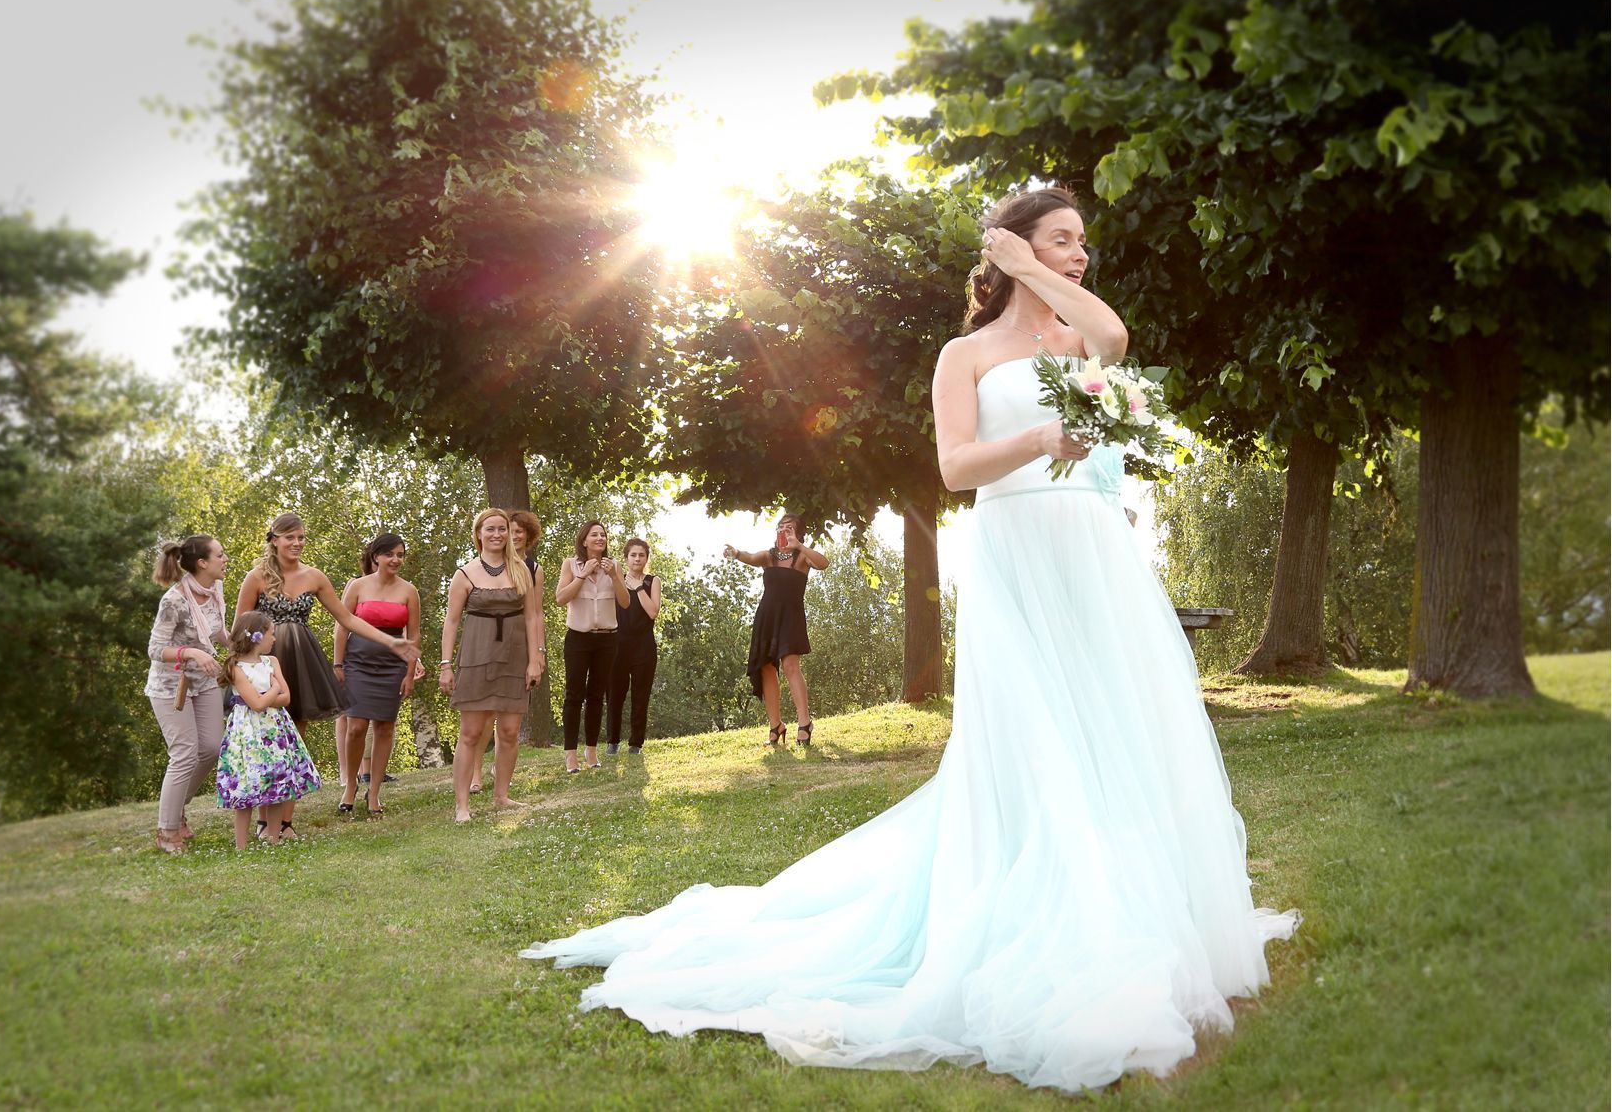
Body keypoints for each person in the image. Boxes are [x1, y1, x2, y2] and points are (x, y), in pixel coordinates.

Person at [522, 186, 1298, 1091]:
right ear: (1013, 251)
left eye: (1084, 242)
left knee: (1114, 723)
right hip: (1015, 546)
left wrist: (1044, 288)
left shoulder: (1084, 341)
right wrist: (1041, 427)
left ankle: (1131, 908)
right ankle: (1041, 911)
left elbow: (1116, 345)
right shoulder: (963, 354)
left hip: (1092, 550)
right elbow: (955, 467)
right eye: (1061, 240)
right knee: (1032, 733)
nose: (1080, 254)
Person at [235, 512, 418, 837]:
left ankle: (286, 822)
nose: (296, 543)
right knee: (268, 739)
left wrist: (393, 641)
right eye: (289, 537)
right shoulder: (256, 577)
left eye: (301, 537)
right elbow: (240, 628)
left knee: (296, 738)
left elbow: (348, 620)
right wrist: (241, 671)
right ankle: (264, 822)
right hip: (266, 663)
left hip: (302, 662)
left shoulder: (315, 577)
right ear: (274, 540)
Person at [439, 508, 545, 822]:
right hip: (476, 655)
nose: (497, 535)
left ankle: (501, 796)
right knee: (471, 732)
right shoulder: (465, 573)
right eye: (490, 529)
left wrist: (536, 658)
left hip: (515, 656)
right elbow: (452, 621)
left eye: (502, 529)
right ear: (479, 534)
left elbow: (531, 617)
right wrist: (446, 665)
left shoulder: (522, 571)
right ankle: (462, 806)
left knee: (510, 731)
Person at [143, 535, 230, 853]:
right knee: (184, 753)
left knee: (210, 747)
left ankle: (177, 806)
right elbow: (155, 649)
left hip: (204, 682)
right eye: (220, 555)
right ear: (202, 563)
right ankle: (167, 831)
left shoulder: (214, 590)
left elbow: (216, 630)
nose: (226, 559)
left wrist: (237, 648)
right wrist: (192, 653)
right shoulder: (174, 600)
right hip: (170, 687)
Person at [332, 533, 420, 819]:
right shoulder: (357, 586)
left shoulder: (409, 591)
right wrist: (338, 665)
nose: (396, 560)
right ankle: (351, 786)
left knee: (385, 727)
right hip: (358, 663)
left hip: (392, 666)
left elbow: (414, 635)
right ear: (376, 557)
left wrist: (409, 672)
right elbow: (342, 627)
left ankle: (374, 792)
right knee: (356, 725)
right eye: (390, 554)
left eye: (400, 555)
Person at [215, 611, 320, 848]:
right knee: (247, 785)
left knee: (276, 781)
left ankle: (273, 839)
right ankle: (241, 845)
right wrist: (273, 689)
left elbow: (287, 697)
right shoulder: (235, 667)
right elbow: (258, 703)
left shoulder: (271, 662)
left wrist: (270, 694)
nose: (274, 639)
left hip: (274, 730)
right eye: (271, 634)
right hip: (248, 732)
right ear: (257, 636)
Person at [724, 515, 828, 746]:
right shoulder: (769, 556)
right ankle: (776, 726)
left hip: (791, 618)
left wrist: (798, 545)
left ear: (798, 533)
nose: (784, 530)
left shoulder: (802, 557)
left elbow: (823, 563)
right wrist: (735, 552)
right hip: (767, 617)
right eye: (781, 527)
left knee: (791, 666)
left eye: (789, 528)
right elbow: (749, 557)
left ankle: (804, 723)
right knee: (767, 669)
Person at [470, 508, 545, 790]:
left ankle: (501, 781)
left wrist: (538, 653)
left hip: (518, 647)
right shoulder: (479, 570)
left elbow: (535, 614)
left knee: (509, 723)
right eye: (507, 531)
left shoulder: (533, 570)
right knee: (483, 715)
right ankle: (475, 775)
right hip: (486, 648)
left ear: (527, 537)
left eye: (517, 532)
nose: (512, 536)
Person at [555, 520, 628, 773]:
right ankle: (570, 755)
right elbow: (560, 598)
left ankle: (592, 751)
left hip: (607, 639)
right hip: (579, 638)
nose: (600, 538)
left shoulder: (615, 566)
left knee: (597, 695)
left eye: (603, 535)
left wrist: (614, 576)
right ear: (584, 540)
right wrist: (582, 574)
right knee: (574, 695)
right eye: (594, 534)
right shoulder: (570, 564)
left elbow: (625, 602)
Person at [605, 538, 661, 756]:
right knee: (614, 694)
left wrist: (638, 588)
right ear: (626, 557)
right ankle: (612, 742)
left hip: (644, 645)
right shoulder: (616, 580)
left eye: (641, 555)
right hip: (618, 644)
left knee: (641, 695)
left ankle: (636, 743)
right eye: (633, 555)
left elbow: (653, 612)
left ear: (646, 558)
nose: (637, 559)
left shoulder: (652, 581)